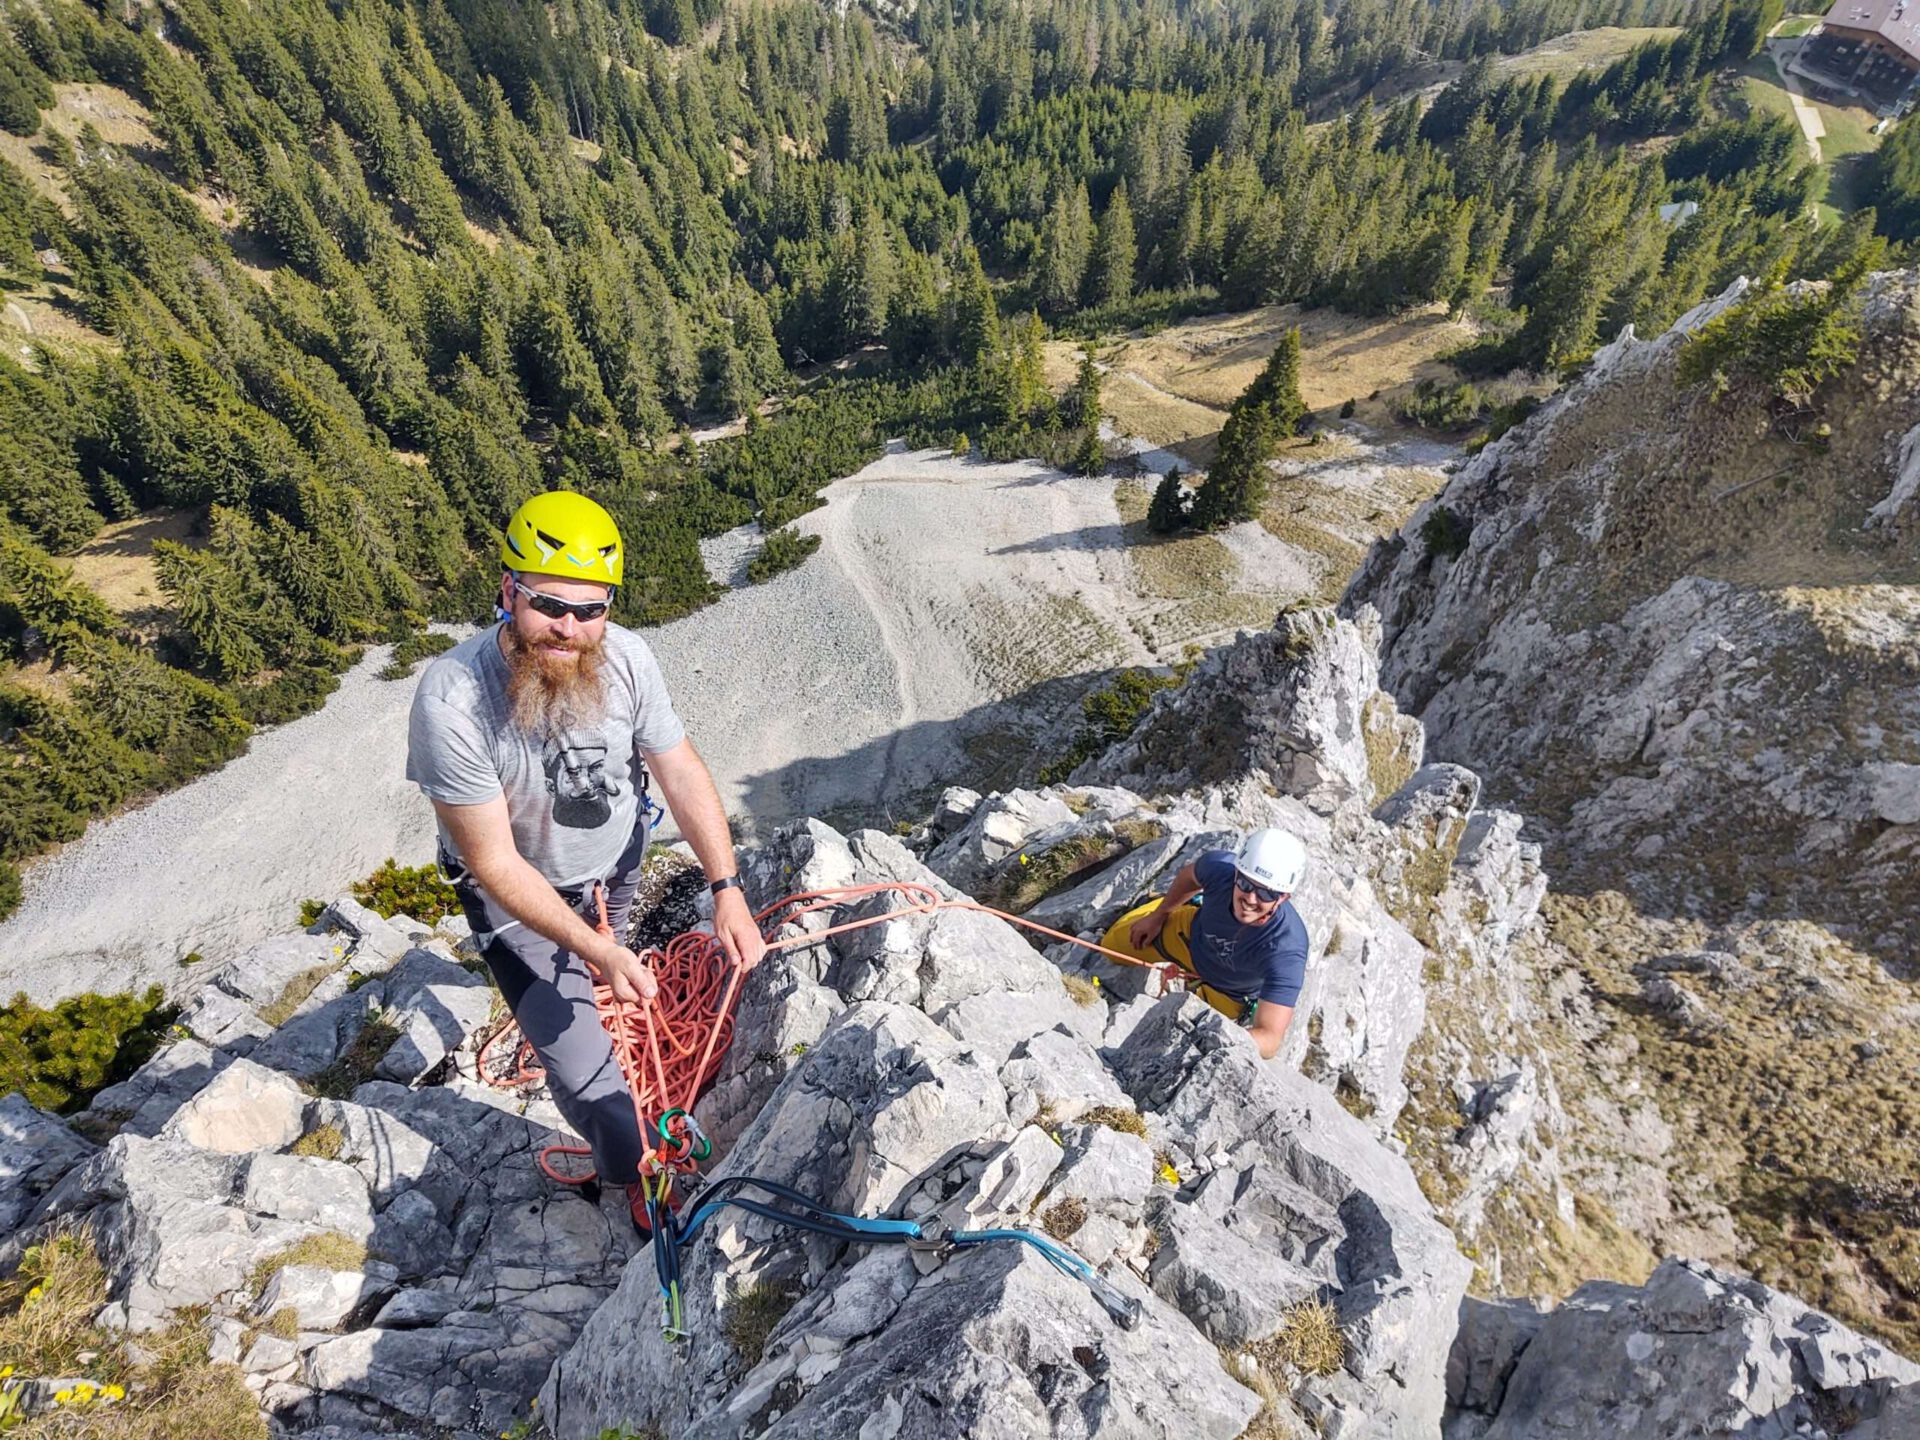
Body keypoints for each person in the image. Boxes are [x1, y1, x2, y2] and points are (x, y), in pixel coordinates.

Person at [405, 491, 766, 1230]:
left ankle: (606, 998)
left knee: (608, 991)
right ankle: (629, 1172)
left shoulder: (627, 657)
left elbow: (680, 771)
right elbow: (496, 864)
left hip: (614, 867)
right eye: (548, 605)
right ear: (507, 592)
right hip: (515, 901)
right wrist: (598, 950)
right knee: (587, 1072)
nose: (570, 629)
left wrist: (726, 889)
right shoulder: (452, 701)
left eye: (590, 610)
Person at [1100, 829, 1309, 1060]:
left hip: (1228, 992)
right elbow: (1189, 877)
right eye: (1246, 884)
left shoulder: (1287, 949)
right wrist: (1159, 915)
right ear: (1237, 873)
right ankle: (1154, 905)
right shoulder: (1220, 869)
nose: (1250, 899)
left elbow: (1270, 1039)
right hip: (1189, 939)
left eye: (1266, 894)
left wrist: (1220, 1037)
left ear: (1283, 898)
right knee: (1111, 945)